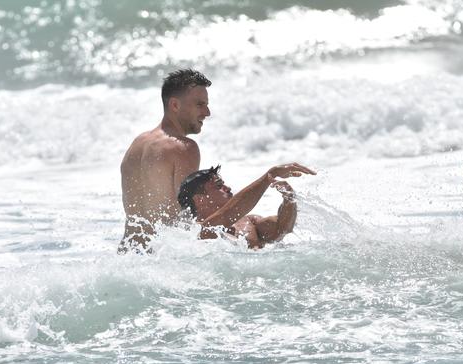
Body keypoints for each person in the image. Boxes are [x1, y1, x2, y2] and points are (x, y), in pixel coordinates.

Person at [119, 68, 211, 253]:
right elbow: (193, 216)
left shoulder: (138, 144)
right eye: (200, 104)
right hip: (162, 259)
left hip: (128, 255)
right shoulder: (184, 148)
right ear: (175, 105)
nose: (207, 112)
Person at [177, 163, 316, 248]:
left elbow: (282, 229)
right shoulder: (196, 232)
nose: (228, 188)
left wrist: (289, 199)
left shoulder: (248, 222)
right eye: (219, 186)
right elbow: (228, 214)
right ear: (200, 199)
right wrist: (271, 175)